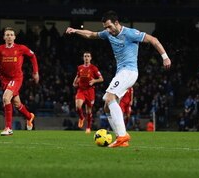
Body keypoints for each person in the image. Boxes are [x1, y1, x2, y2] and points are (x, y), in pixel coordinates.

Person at [66, 10, 171, 147]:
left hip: (130, 71)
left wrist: (165, 57)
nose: (107, 30)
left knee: (109, 98)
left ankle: (122, 135)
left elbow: (153, 40)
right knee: (106, 108)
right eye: (105, 28)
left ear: (116, 23)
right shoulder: (108, 33)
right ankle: (120, 139)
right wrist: (75, 30)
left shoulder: (130, 33)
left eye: (109, 26)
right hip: (121, 72)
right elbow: (91, 35)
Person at [0, 27, 39, 136]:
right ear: (4, 37)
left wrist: (35, 72)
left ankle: (8, 128)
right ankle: (29, 116)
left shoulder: (21, 48)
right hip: (4, 79)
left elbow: (32, 56)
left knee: (5, 98)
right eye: (7, 35)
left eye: (11, 35)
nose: (9, 37)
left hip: (16, 78)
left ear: (14, 37)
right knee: (17, 104)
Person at [73, 51, 104, 133]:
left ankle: (88, 127)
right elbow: (78, 75)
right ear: (83, 58)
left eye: (88, 56)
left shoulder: (94, 68)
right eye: (85, 56)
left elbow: (101, 79)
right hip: (81, 90)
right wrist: (74, 82)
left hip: (90, 91)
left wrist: (94, 81)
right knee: (78, 106)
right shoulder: (80, 67)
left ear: (90, 58)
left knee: (89, 111)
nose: (86, 58)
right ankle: (82, 118)